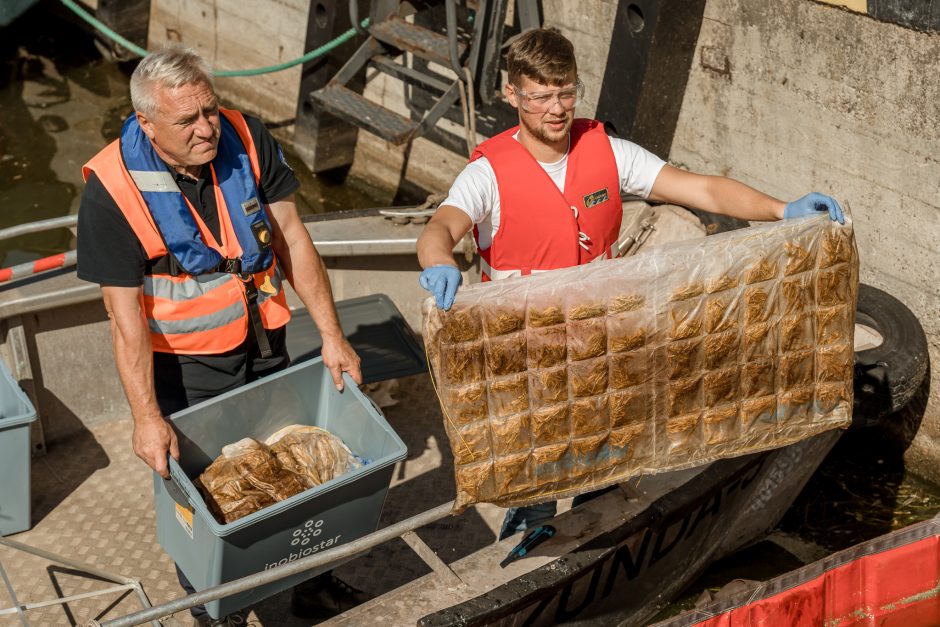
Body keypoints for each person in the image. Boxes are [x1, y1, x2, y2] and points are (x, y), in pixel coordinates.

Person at [415, 28, 846, 540]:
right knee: (534, 464)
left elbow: (699, 186)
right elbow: (439, 228)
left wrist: (782, 209)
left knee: (607, 443)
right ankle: (528, 532)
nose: (556, 109)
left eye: (566, 92)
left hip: (601, 334)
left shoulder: (608, 152)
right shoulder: (487, 175)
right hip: (524, 345)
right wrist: (440, 260)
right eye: (540, 97)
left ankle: (597, 529)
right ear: (512, 95)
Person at [76, 46, 367, 625]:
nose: (207, 129)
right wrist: (145, 417)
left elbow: (292, 240)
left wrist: (333, 335)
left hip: (266, 343)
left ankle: (313, 582)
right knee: (210, 497)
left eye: (209, 110)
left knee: (296, 466)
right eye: (186, 121)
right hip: (187, 370)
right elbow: (125, 319)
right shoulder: (112, 191)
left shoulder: (248, 137)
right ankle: (217, 610)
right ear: (147, 124)